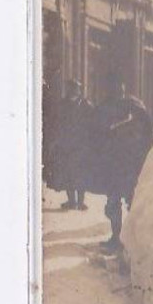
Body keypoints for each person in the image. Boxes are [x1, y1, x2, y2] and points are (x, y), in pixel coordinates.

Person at [89, 78, 153, 252]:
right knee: (113, 203)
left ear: (124, 90)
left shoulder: (135, 106)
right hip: (113, 163)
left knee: (132, 202)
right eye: (114, 89)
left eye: (119, 89)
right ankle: (116, 237)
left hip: (131, 163)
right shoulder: (105, 108)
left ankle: (135, 241)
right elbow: (97, 134)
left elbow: (147, 134)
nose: (117, 92)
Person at [49, 79, 93, 211]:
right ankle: (71, 201)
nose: (74, 91)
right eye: (71, 89)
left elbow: (92, 124)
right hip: (66, 144)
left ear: (79, 91)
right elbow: (56, 123)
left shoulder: (86, 105)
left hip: (81, 145)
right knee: (68, 172)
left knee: (81, 173)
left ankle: (80, 202)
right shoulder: (62, 105)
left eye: (76, 89)